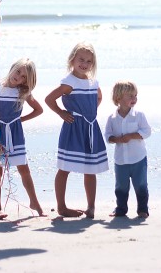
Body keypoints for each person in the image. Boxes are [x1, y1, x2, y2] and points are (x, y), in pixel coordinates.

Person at [45, 42, 109, 219]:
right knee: (65, 168)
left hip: (90, 127)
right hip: (73, 128)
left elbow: (99, 97)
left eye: (89, 61)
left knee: (91, 169)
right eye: (81, 59)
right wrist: (62, 113)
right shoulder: (69, 82)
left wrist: (90, 113)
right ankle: (62, 207)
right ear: (72, 59)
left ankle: (91, 207)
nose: (85, 64)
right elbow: (49, 99)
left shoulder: (93, 82)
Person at [0, 58, 46, 220]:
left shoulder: (22, 93)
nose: (19, 77)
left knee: (24, 169)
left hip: (14, 134)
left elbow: (39, 110)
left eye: (24, 77)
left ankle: (35, 202)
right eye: (18, 72)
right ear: (12, 68)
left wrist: (20, 120)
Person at [105, 81, 151, 219]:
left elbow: (147, 132)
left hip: (138, 158)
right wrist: (117, 139)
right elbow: (107, 136)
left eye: (135, 95)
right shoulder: (112, 118)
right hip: (121, 160)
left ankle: (143, 209)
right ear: (118, 98)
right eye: (130, 96)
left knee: (141, 185)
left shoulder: (139, 115)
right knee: (121, 186)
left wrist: (131, 136)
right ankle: (121, 208)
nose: (134, 99)